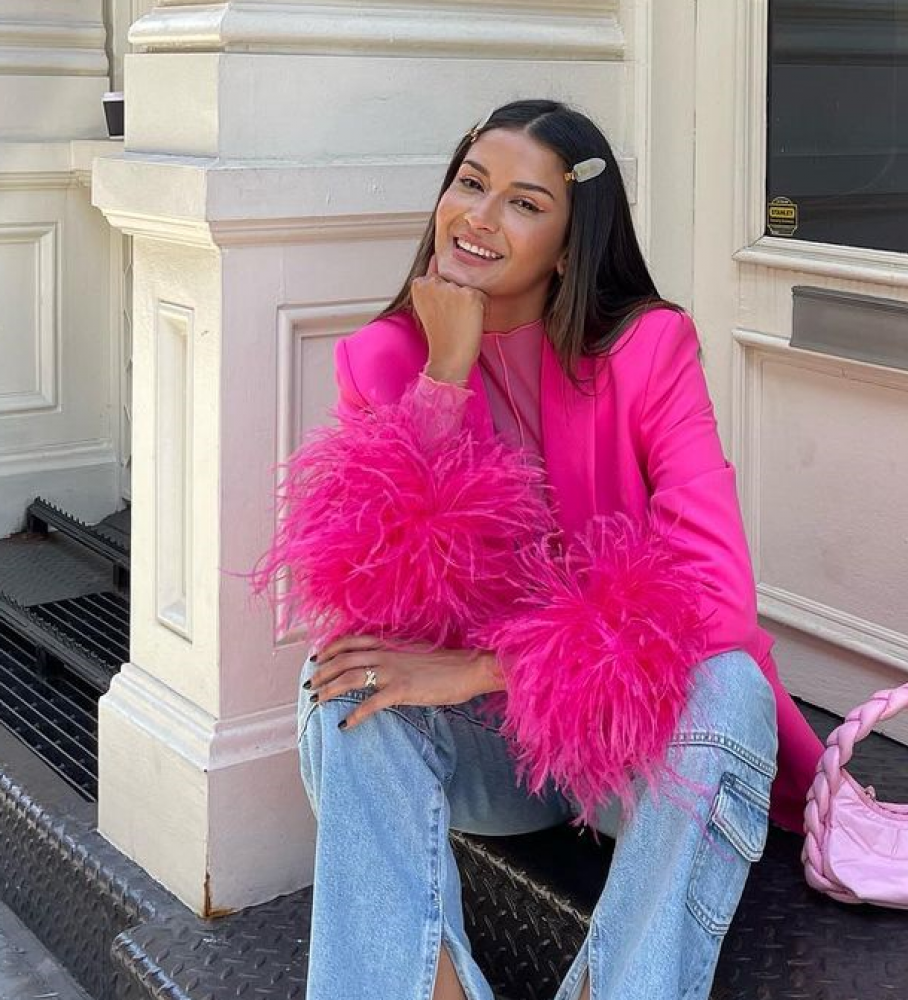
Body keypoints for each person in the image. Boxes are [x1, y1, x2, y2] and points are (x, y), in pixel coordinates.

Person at [253, 99, 822, 1000]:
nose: (478, 217)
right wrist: (444, 377)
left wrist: (489, 668)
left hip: (637, 746)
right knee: (342, 681)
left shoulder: (648, 348)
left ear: (568, 245)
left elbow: (715, 601)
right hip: (500, 757)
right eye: (471, 184)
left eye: (523, 202)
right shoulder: (386, 360)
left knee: (729, 684)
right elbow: (377, 601)